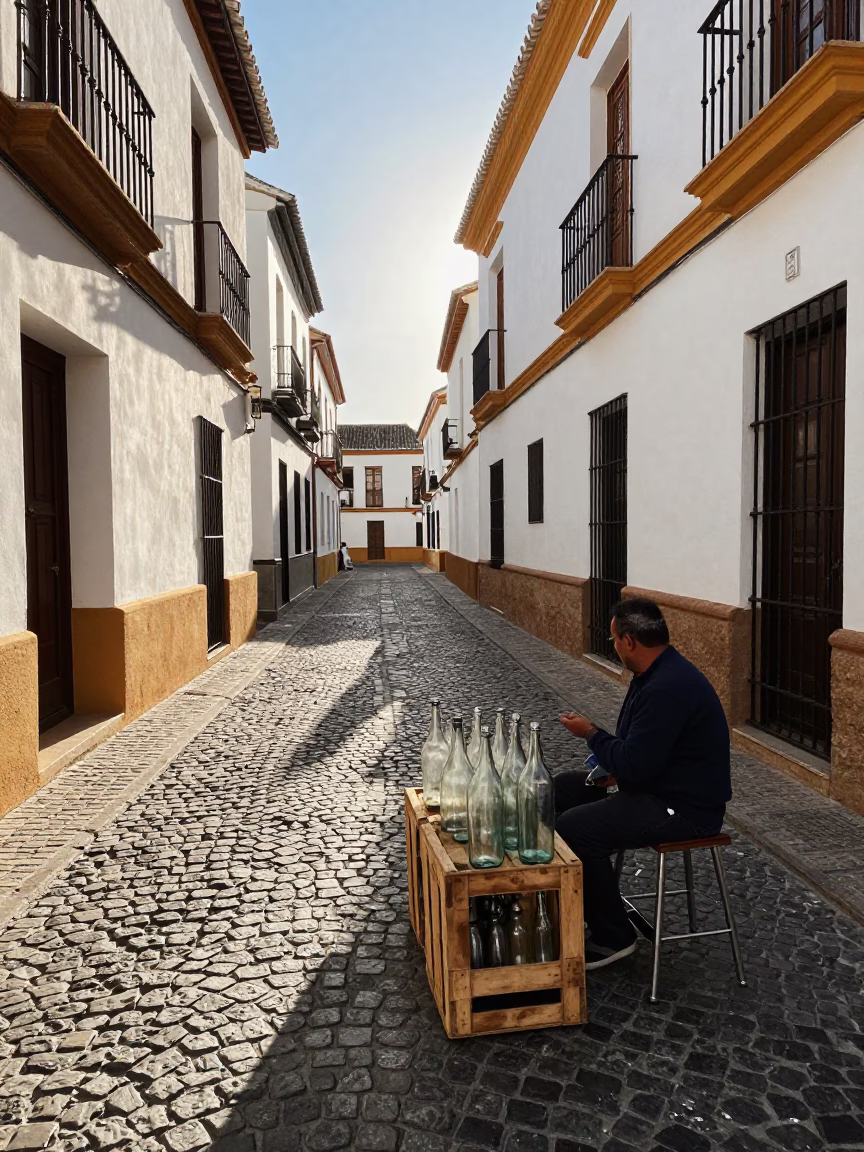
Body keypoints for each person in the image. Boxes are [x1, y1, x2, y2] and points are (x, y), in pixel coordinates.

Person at [556, 598, 731, 970]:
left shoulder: (667, 687)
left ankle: (614, 936)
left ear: (629, 641)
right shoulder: (653, 674)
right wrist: (612, 767)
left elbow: (638, 764)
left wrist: (590, 734)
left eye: (614, 639)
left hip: (684, 809)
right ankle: (570, 902)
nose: (613, 646)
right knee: (563, 790)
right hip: (656, 786)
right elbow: (642, 750)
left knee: (574, 829)